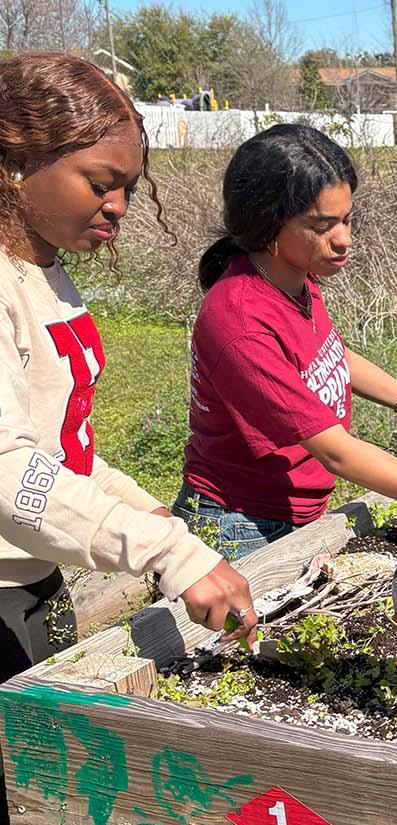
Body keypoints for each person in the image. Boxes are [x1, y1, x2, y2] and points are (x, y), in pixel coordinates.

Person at [0, 52, 258, 685]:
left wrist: (147, 515)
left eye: (128, 189)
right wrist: (167, 552)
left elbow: (61, 453)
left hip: (36, 577)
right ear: (13, 164)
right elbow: (6, 471)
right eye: (99, 182)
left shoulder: (45, 273)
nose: (117, 205)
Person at [176, 124, 397, 559]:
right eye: (322, 225)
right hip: (239, 525)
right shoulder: (239, 320)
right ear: (266, 224)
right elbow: (338, 454)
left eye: (347, 219)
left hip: (292, 510)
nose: (344, 240)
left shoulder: (295, 276)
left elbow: (333, 356)